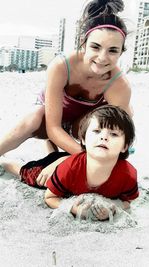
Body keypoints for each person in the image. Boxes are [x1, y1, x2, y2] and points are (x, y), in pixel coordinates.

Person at [0, 0, 133, 186]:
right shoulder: (61, 66)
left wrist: (68, 160)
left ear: (121, 52)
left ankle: (55, 153)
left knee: (123, 115)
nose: (102, 58)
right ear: (83, 43)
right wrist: (85, 159)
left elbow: (117, 138)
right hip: (49, 119)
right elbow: (53, 128)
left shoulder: (120, 85)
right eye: (95, 47)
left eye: (113, 50)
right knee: (34, 118)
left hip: (82, 123)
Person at [0, 105, 139, 221]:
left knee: (58, 160)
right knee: (28, 174)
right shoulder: (70, 168)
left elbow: (127, 201)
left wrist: (112, 207)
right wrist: (72, 208)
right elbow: (50, 197)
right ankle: (5, 161)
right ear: (83, 140)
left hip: (70, 166)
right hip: (58, 168)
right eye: (96, 131)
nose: (103, 137)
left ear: (125, 146)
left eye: (113, 134)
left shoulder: (128, 175)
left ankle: (50, 145)